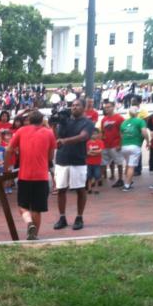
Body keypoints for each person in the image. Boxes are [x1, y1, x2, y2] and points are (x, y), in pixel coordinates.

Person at [5, 110, 56, 240]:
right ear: (42, 120)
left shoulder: (21, 131)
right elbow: (50, 156)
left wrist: (6, 169)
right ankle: (34, 236)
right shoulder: (49, 133)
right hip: (42, 176)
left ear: (28, 120)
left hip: (24, 175)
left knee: (23, 206)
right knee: (37, 209)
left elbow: (9, 149)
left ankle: (29, 223)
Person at [54, 99, 94, 231]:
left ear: (83, 108)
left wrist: (65, 141)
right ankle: (62, 217)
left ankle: (79, 217)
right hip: (62, 159)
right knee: (61, 189)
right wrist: (56, 123)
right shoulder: (65, 121)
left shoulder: (87, 122)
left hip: (78, 160)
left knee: (80, 189)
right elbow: (57, 138)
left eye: (77, 105)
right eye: (73, 105)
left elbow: (83, 136)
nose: (74, 107)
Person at [120, 106, 149, 192]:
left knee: (128, 165)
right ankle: (127, 185)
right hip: (135, 145)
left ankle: (128, 180)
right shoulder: (140, 121)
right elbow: (144, 131)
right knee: (131, 166)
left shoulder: (124, 122)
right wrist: (147, 141)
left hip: (124, 146)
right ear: (137, 113)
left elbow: (121, 135)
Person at [100, 102, 125, 187]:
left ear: (113, 107)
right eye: (105, 107)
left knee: (119, 162)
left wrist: (120, 144)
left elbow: (123, 132)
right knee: (103, 162)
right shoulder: (104, 119)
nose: (107, 109)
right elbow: (102, 132)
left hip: (115, 144)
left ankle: (120, 179)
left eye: (108, 107)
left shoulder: (119, 118)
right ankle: (99, 178)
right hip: (106, 144)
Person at [86, 128, 104, 194]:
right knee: (89, 176)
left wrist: (92, 151)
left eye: (95, 134)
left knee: (97, 176)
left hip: (97, 163)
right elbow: (87, 153)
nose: (94, 135)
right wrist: (94, 152)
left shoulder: (100, 142)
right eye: (92, 134)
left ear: (98, 135)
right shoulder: (88, 143)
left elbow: (100, 151)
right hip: (89, 162)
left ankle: (96, 189)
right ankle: (89, 188)